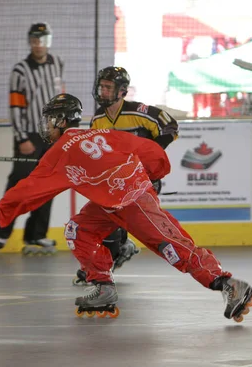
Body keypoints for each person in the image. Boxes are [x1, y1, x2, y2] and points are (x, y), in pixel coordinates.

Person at [0, 93, 252, 322]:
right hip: (112, 203)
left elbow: (31, 188)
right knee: (78, 229)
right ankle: (104, 287)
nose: (46, 127)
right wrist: (153, 174)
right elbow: (150, 151)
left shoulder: (57, 152)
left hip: (134, 200)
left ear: (60, 121)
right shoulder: (105, 134)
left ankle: (227, 284)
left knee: (172, 248)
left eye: (49, 121)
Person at [70, 66, 180, 285]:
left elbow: (171, 126)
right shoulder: (98, 120)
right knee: (109, 218)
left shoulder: (139, 112)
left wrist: (151, 155)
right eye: (101, 87)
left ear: (122, 91)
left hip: (143, 182)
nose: (103, 92)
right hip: (117, 182)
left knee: (119, 217)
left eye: (108, 88)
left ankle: (115, 254)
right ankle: (118, 251)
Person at [0, 22, 65, 255]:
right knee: (18, 183)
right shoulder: (20, 70)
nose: (38, 45)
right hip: (29, 137)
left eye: (42, 40)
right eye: (34, 40)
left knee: (47, 185)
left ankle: (37, 235)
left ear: (48, 41)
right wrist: (21, 138)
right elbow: (15, 108)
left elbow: (61, 99)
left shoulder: (57, 64)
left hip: (52, 135)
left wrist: (62, 131)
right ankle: (3, 230)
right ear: (29, 42)